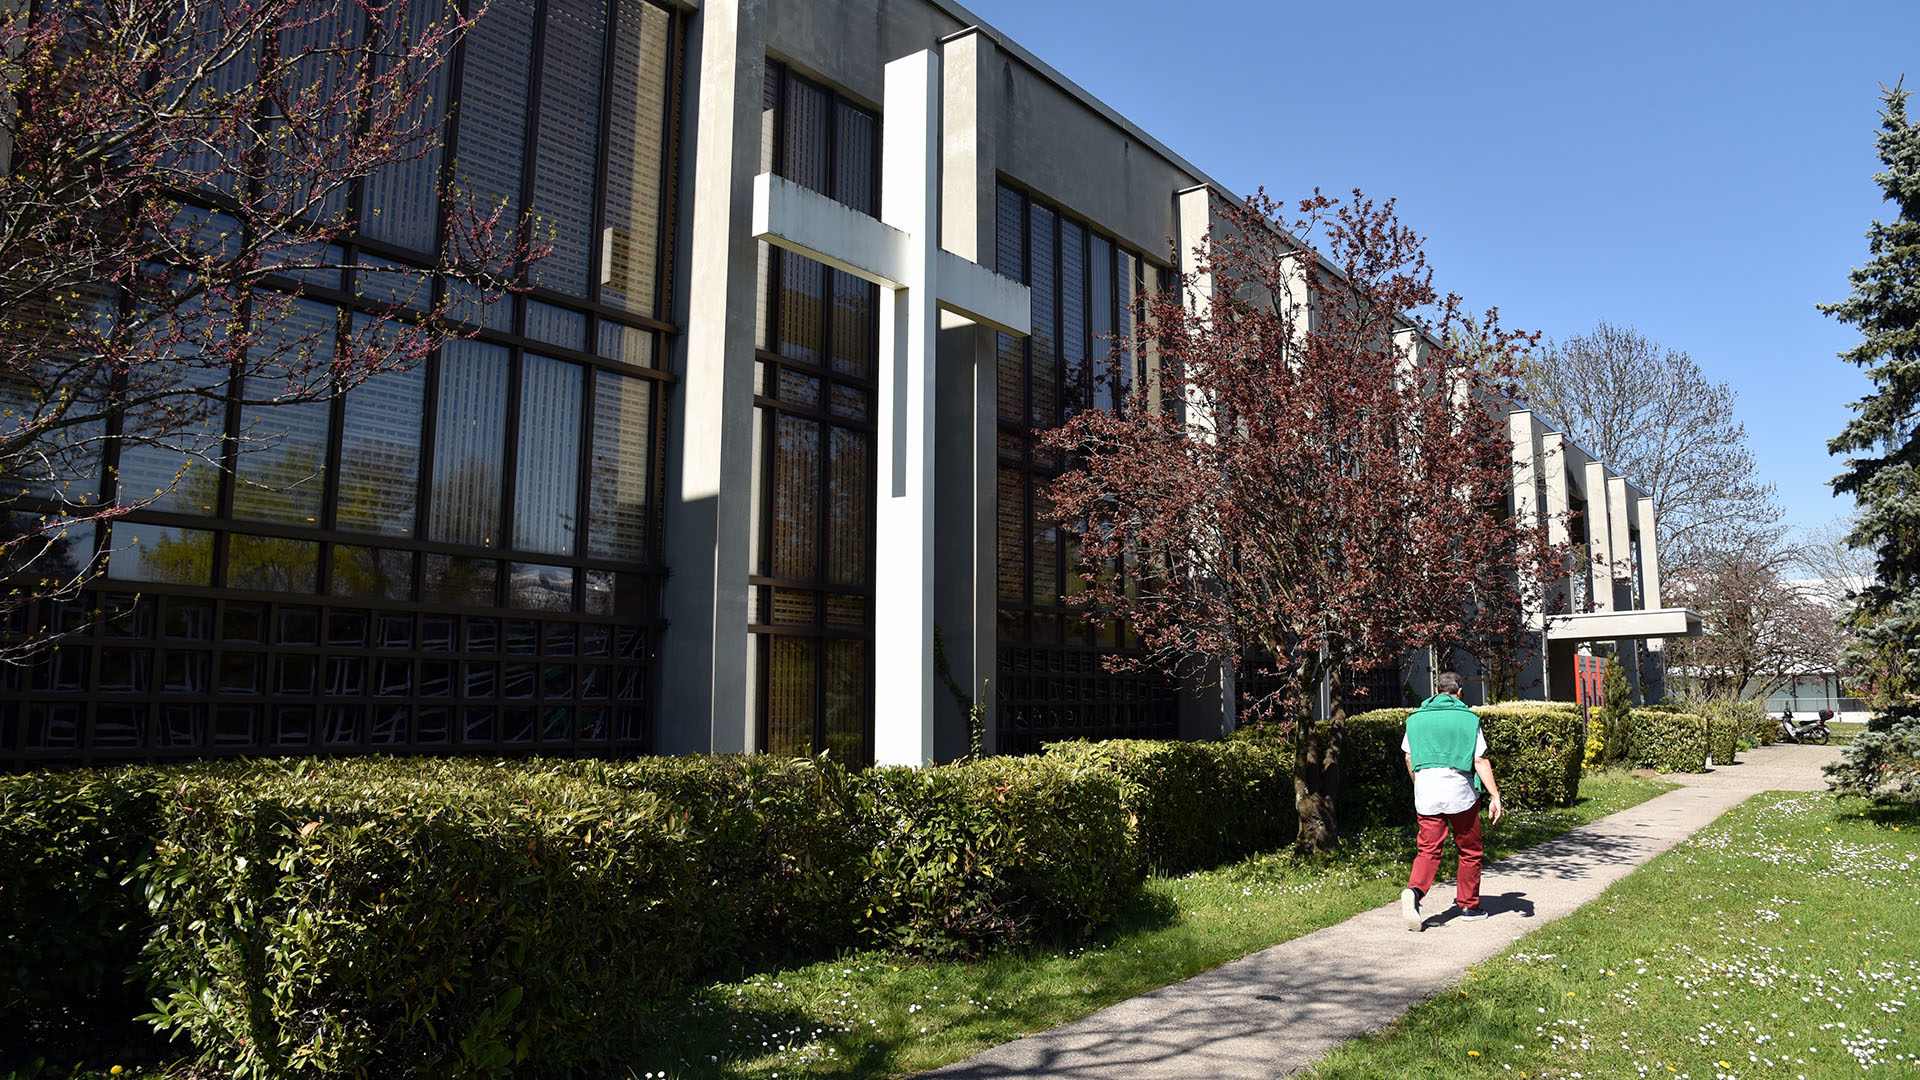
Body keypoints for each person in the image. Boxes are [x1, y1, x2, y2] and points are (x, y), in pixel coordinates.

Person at [1398, 671, 1503, 931]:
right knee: (1469, 850)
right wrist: (1494, 795)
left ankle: (1415, 892)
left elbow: (1409, 759)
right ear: (1460, 693)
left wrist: (1418, 786)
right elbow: (1479, 760)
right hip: (1459, 793)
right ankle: (1468, 906)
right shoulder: (1468, 719)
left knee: (1428, 850)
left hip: (1426, 792)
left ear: (1437, 691)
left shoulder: (1415, 719)